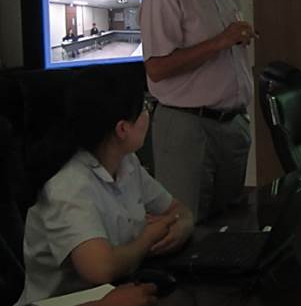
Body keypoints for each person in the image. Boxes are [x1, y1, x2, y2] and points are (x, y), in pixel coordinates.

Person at [14, 67, 193, 305]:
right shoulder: (68, 183)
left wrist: (180, 227)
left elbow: (179, 210)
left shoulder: (126, 161)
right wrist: (149, 236)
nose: (148, 114)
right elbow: (100, 268)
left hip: (119, 288)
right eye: (144, 108)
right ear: (122, 129)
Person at [140, 0, 254, 222]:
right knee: (186, 225)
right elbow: (157, 68)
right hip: (188, 126)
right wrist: (221, 41)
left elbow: (228, 46)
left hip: (232, 124)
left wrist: (237, 38)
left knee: (227, 224)